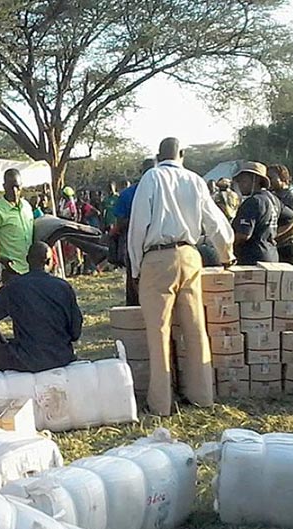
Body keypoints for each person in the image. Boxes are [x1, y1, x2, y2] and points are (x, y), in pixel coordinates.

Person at [127, 137, 234, 416]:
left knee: (158, 333)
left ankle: (161, 404)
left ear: (157, 155)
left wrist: (137, 268)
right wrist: (226, 253)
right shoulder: (196, 180)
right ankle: (202, 395)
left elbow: (138, 227)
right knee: (195, 329)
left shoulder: (151, 178)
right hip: (190, 255)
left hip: (158, 257)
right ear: (182, 154)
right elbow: (215, 222)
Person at [0, 242, 82, 377]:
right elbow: (76, 332)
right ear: (49, 261)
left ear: (27, 259)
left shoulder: (13, 287)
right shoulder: (64, 287)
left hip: (26, 358)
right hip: (62, 356)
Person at [111, 159, 157, 306]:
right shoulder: (164, 192)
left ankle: (134, 313)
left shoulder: (128, 194)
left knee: (134, 279)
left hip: (133, 241)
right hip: (155, 242)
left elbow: (119, 222)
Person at [231, 161, 293, 265]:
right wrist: (270, 235)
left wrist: (227, 244)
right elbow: (291, 217)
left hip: (252, 259)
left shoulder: (253, 201)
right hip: (271, 255)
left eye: (243, 180)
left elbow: (243, 235)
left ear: (255, 180)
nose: (239, 184)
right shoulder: (273, 199)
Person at [0, 169, 35, 282]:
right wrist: (3, 261)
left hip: (31, 269)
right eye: (10, 187)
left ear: (21, 186)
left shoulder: (27, 207)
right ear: (4, 186)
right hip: (11, 271)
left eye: (17, 186)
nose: (14, 191)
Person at [267, 164, 293, 267]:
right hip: (277, 245)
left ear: (282, 178)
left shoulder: (291, 198)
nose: (268, 181)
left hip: (289, 246)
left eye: (271, 178)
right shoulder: (272, 196)